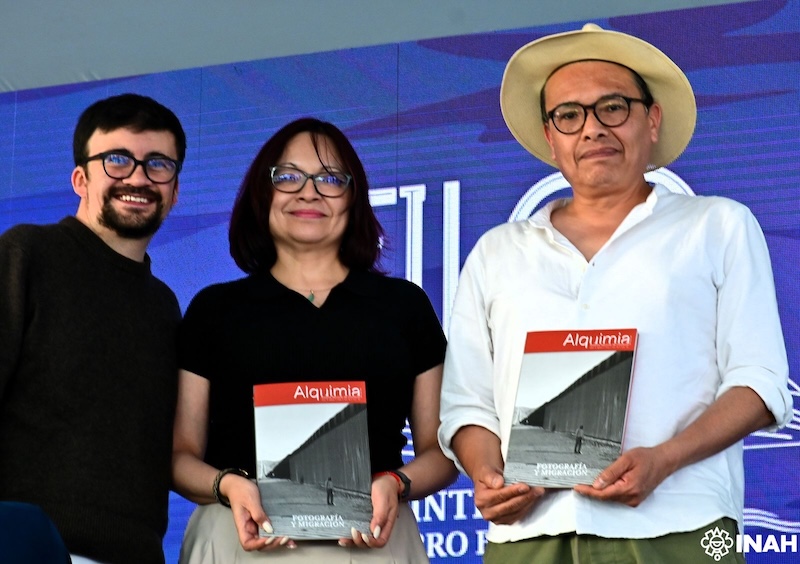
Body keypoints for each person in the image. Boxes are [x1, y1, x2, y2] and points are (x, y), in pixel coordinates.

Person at [438, 23, 792, 563]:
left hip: (682, 524)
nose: (592, 129)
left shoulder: (717, 225)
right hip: (531, 532)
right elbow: (468, 403)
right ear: (550, 135)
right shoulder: (497, 251)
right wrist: (487, 474)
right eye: (569, 115)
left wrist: (665, 458)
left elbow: (759, 382)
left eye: (613, 107)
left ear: (652, 120)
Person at [172, 117, 458, 562]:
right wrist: (228, 485)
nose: (309, 192)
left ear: (354, 198)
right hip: (237, 540)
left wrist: (396, 482)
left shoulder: (404, 306)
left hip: (372, 542)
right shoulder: (215, 310)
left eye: (330, 179)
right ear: (262, 194)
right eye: (288, 177)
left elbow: (440, 453)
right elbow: (180, 455)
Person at [0, 93, 186, 563]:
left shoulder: (165, 307)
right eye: (117, 160)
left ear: (175, 191)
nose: (138, 178)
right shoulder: (26, 255)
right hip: (26, 548)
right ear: (81, 179)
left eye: (158, 164)